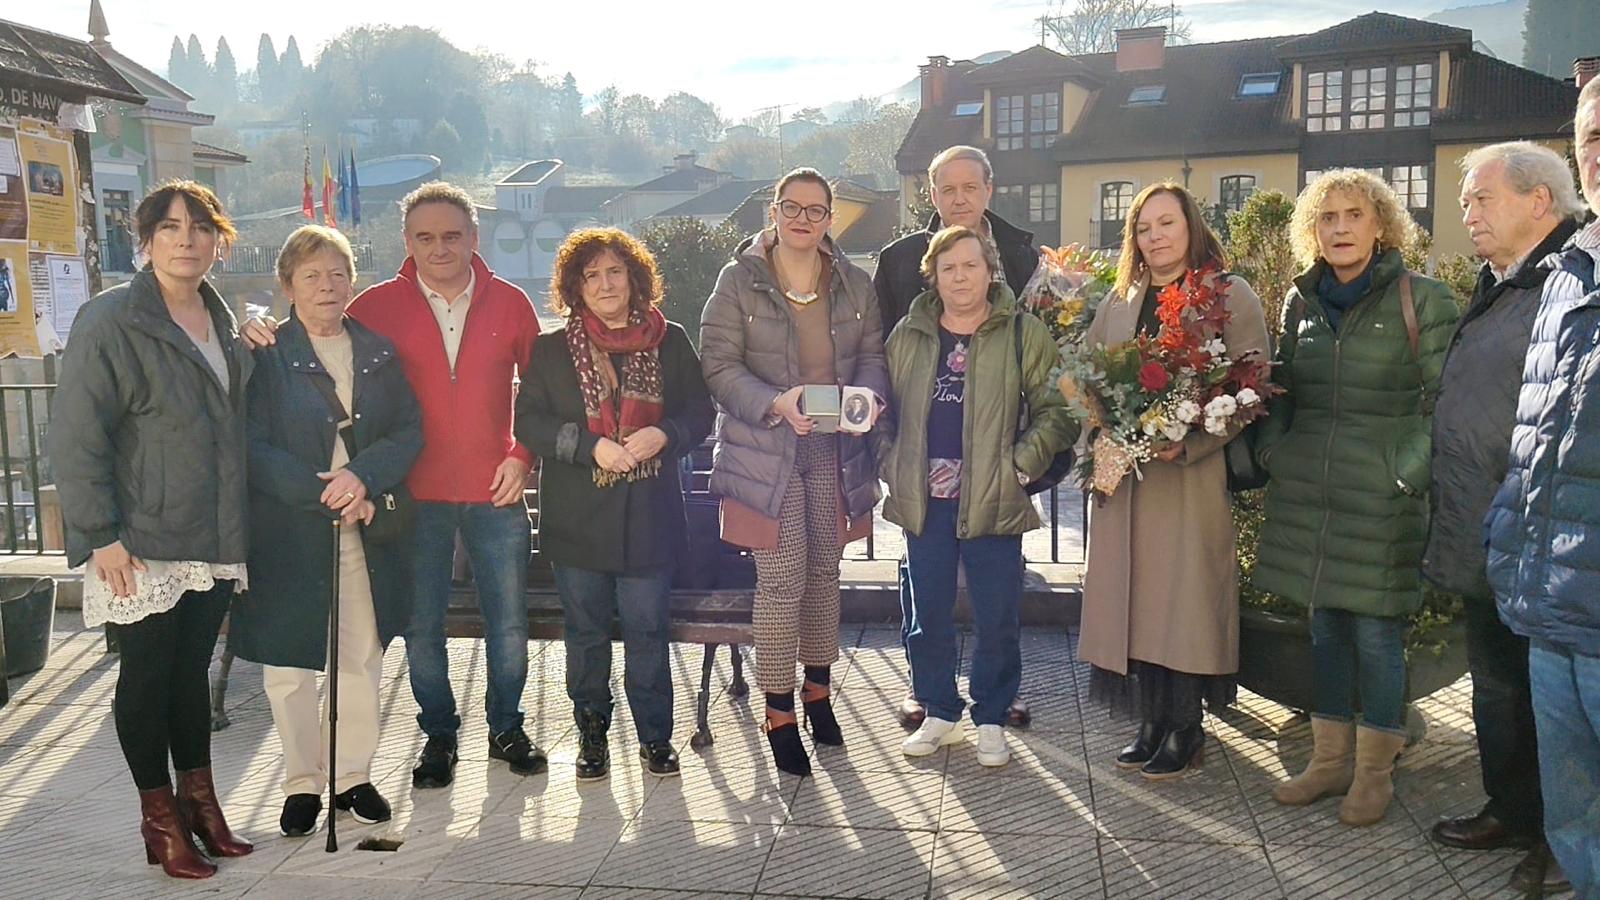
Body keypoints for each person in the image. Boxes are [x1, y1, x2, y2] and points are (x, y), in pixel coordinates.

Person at [243, 182, 544, 787]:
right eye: (426, 237)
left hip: (496, 491)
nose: (440, 247)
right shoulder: (375, 306)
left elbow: (540, 397)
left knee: (509, 621)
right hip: (412, 495)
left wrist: (523, 455)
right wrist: (259, 328)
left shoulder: (512, 303)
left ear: (474, 238)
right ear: (407, 242)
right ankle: (439, 736)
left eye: (452, 235)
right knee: (420, 624)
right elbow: (315, 330)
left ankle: (506, 726)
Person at [49, 180, 254, 878]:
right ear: (145, 241)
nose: (186, 240)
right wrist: (99, 533)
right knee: (146, 678)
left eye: (200, 227)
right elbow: (77, 436)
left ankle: (202, 807)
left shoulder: (225, 321)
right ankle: (160, 821)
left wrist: (259, 346)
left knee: (188, 678)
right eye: (169, 227)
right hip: (139, 540)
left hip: (212, 536)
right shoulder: (109, 320)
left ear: (218, 240)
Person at [1256, 169, 1458, 827]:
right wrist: (1274, 453)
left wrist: (1405, 475)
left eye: (1353, 215)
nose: (1340, 228)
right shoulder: (1299, 303)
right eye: (1327, 217)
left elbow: (1446, 402)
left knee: (1375, 635)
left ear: (1381, 224)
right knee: (1326, 632)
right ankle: (1328, 762)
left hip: (1382, 502)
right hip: (1313, 496)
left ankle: (1373, 773)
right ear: (1313, 230)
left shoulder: (1421, 299)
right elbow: (1283, 389)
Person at [229, 225, 422, 837]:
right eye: (312, 275)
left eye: (338, 273)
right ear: (288, 285)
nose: (327, 286)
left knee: (362, 653)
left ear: (352, 281)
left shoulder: (377, 351)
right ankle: (301, 783)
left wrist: (362, 479)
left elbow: (407, 433)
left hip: (363, 524)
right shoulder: (265, 356)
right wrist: (321, 492)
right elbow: (252, 445)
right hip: (291, 529)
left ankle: (352, 778)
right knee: (290, 665)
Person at [1425, 142, 1582, 894]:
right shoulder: (1505, 282)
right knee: (1497, 686)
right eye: (1467, 201)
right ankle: (1512, 810)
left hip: (1542, 541)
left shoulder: (1562, 281)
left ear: (1540, 201)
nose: (1468, 212)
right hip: (1484, 527)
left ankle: (1563, 838)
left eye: (1483, 198)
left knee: (1550, 701)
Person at [1075, 183, 1271, 779]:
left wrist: (1193, 438)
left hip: (1186, 473)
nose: (1155, 236)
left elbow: (1251, 383)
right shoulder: (1118, 299)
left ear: (1191, 227)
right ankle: (1151, 720)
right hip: (1127, 475)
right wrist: (1102, 445)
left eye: (1167, 223)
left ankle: (1186, 724)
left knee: (1180, 603)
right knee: (1134, 602)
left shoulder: (1226, 294)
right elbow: (1088, 379)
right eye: (1143, 226)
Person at [700, 168, 889, 776]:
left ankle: (818, 690)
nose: (804, 218)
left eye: (816, 209)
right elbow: (718, 365)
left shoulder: (854, 284)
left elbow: (873, 358)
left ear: (830, 218)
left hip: (834, 450)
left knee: (825, 574)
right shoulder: (738, 282)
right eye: (792, 207)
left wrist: (868, 400)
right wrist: (774, 403)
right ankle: (778, 709)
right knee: (781, 581)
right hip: (767, 450)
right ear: (773, 212)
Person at [515, 227, 714, 782]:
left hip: (650, 521)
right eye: (592, 275)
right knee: (586, 634)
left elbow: (702, 412)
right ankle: (592, 734)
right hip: (578, 522)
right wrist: (589, 446)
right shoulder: (552, 349)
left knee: (649, 631)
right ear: (575, 288)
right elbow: (527, 420)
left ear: (635, 279)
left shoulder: (670, 341)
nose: (605, 284)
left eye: (615, 272)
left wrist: (666, 434)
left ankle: (656, 738)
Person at [879, 225, 1076, 768]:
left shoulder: (1023, 333)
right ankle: (939, 710)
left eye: (970, 265)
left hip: (994, 496)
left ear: (990, 270)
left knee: (997, 614)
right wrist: (890, 462)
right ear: (933, 276)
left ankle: (990, 716)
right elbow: (881, 412)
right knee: (927, 615)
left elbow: (1057, 411)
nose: (960, 277)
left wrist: (1020, 465)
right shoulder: (909, 335)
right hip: (925, 500)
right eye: (948, 268)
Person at [874, 145, 1041, 730]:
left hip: (1002, 454)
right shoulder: (898, 262)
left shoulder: (1024, 256)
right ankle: (929, 694)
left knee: (1000, 589)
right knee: (925, 586)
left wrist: (1029, 459)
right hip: (926, 462)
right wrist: (892, 456)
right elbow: (882, 362)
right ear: (933, 195)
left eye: (971, 187)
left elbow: (1050, 353)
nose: (960, 198)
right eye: (948, 189)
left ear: (989, 190)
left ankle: (1000, 697)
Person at [1485, 74, 1600, 898]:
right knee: (1575, 822)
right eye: (1593, 138)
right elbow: (1537, 439)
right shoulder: (1568, 276)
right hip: (1552, 605)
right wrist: (1507, 548)